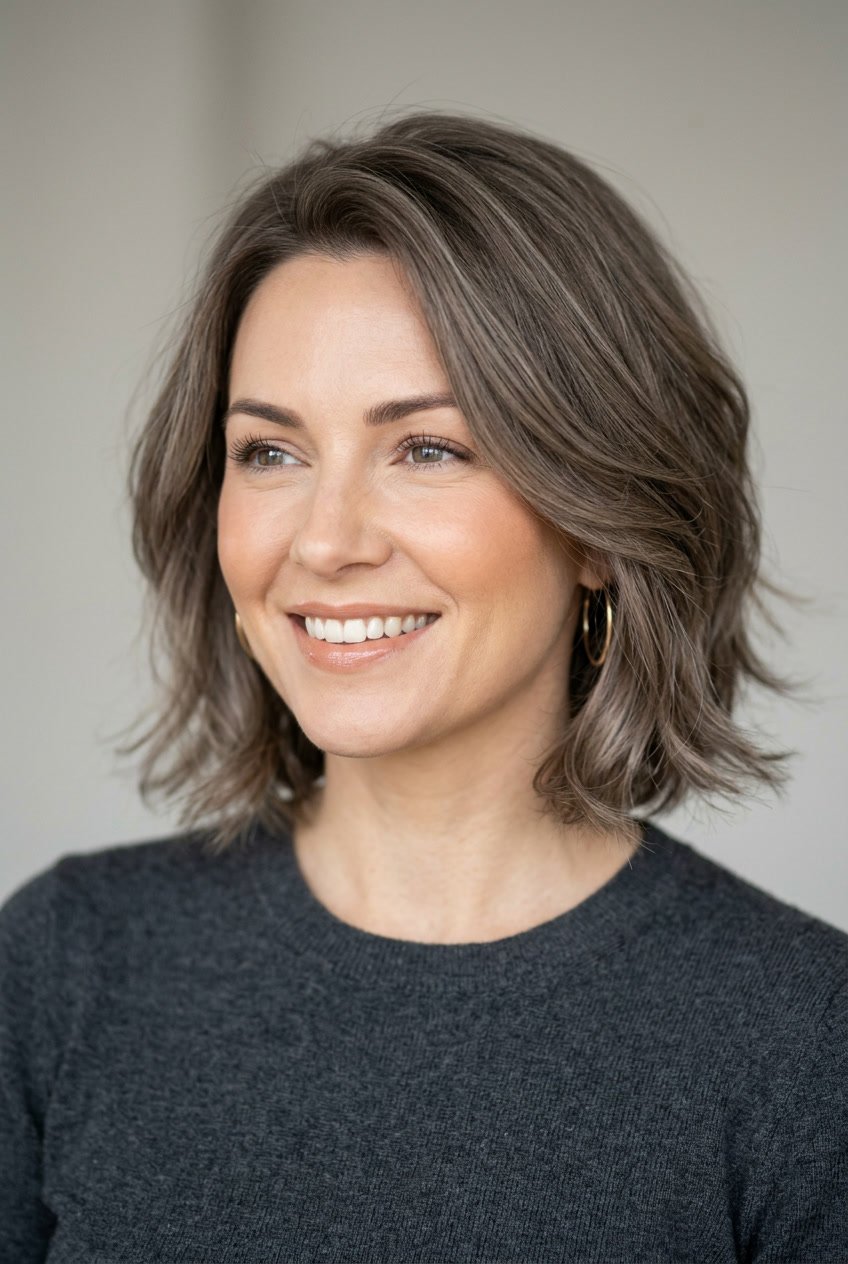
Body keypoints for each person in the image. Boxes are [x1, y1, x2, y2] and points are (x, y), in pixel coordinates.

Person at [1, 109, 845, 1263]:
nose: (326, 539)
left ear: (598, 517)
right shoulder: (66, 964)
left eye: (427, 448)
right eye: (270, 452)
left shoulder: (803, 1037)